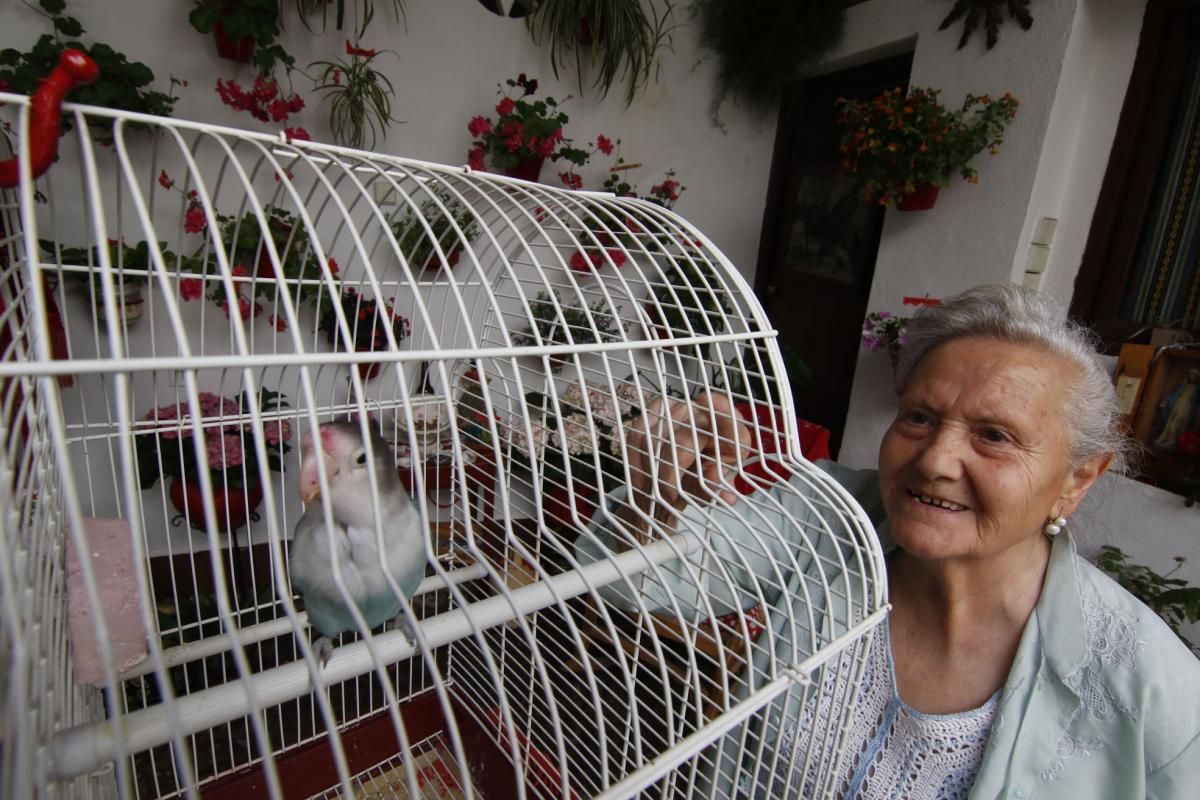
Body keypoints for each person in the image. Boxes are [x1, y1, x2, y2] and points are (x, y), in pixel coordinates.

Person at [577, 285, 1200, 799]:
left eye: (994, 436)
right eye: (920, 418)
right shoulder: (833, 514)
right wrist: (654, 492)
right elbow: (636, 581)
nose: (936, 460)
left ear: (1076, 480)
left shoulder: (1152, 687)